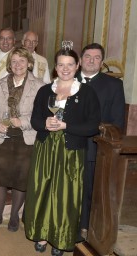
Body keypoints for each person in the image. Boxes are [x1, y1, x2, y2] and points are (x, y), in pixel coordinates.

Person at [24, 45, 101, 255]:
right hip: (46, 147)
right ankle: (40, 233)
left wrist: (67, 126)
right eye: (60, 64)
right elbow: (34, 119)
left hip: (71, 151)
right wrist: (45, 124)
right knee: (42, 192)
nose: (65, 68)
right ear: (55, 67)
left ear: (77, 66)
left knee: (64, 197)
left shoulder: (86, 93)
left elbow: (94, 125)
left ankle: (60, 238)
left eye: (69, 64)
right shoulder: (44, 90)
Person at [0, 47, 44, 232]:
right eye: (14, 61)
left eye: (22, 61)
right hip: (2, 137)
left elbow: (40, 115)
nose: (18, 65)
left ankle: (13, 217)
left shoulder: (40, 86)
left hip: (25, 138)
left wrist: (22, 122)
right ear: (9, 65)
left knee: (21, 179)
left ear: (29, 63)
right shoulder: (1, 84)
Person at [76, 43, 125, 239]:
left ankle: (83, 228)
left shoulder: (113, 85)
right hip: (65, 146)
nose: (91, 60)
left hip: (93, 148)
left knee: (87, 190)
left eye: (97, 58)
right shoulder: (65, 79)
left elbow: (117, 122)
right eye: (88, 56)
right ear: (80, 60)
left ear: (102, 62)